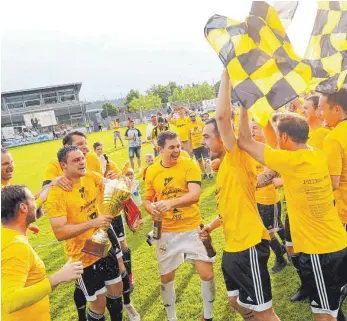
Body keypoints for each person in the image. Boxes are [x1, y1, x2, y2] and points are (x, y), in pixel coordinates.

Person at [238, 103, 347, 321]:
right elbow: (273, 145)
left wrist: (244, 106)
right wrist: (267, 119)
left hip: (319, 252)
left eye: (278, 136)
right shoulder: (314, 154)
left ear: (286, 137)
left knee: (324, 316)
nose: (275, 141)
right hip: (336, 244)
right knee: (333, 309)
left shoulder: (289, 161)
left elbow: (245, 142)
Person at [201, 70, 278, 321]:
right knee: (235, 300)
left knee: (264, 312)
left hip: (248, 245)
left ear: (222, 138)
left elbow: (223, 116)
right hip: (233, 247)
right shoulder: (223, 167)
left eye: (206, 137)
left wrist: (226, 72)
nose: (203, 142)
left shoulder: (236, 156)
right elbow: (228, 207)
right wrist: (211, 227)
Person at [45, 146, 125, 321]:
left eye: (82, 158)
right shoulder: (57, 194)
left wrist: (121, 181)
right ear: (63, 165)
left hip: (100, 242)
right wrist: (93, 223)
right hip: (81, 256)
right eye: (76, 160)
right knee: (98, 304)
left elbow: (111, 187)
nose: (82, 162)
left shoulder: (91, 176)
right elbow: (60, 232)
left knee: (116, 287)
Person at [144, 131, 215, 321]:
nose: (177, 150)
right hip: (166, 232)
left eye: (178, 146)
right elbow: (147, 199)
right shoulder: (151, 170)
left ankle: (207, 316)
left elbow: (195, 195)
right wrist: (152, 209)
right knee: (166, 279)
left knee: (207, 274)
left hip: (192, 227)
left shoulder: (189, 165)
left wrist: (169, 203)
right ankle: (172, 318)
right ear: (160, 149)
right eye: (172, 147)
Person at [1, 184, 84, 321]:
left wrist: (25, 224)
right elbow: (10, 300)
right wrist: (58, 277)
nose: (37, 203)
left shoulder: (7, 235)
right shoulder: (16, 246)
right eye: (33, 200)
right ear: (23, 207)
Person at [251, 122, 287, 274]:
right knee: (275, 226)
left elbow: (270, 175)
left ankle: (280, 258)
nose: (251, 131)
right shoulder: (252, 150)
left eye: (255, 127)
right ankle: (290, 248)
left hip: (267, 198)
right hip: (257, 198)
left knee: (268, 232)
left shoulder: (269, 151)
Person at [320, 91, 347, 228]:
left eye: (322, 109)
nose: (321, 114)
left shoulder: (334, 138)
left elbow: (333, 183)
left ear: (337, 109)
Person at [187, 112, 212, 179]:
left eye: (193, 116)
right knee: (199, 161)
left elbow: (205, 134)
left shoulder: (201, 123)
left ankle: (209, 174)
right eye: (191, 116)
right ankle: (204, 174)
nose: (193, 117)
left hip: (203, 145)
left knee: (206, 159)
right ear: (190, 117)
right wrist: (190, 148)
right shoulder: (188, 126)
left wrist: (207, 143)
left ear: (196, 116)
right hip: (195, 146)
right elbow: (189, 138)